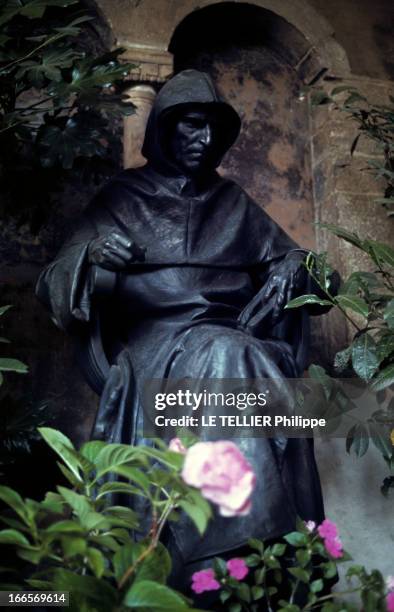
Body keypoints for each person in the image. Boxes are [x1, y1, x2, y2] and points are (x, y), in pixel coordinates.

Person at [36, 69, 337, 592]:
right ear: (163, 129)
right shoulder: (122, 196)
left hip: (233, 340)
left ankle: (252, 558)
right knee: (235, 356)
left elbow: (322, 281)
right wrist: (91, 254)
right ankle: (240, 552)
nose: (204, 140)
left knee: (244, 357)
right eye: (190, 126)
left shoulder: (234, 202)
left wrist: (300, 264)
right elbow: (52, 281)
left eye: (212, 130)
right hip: (157, 349)